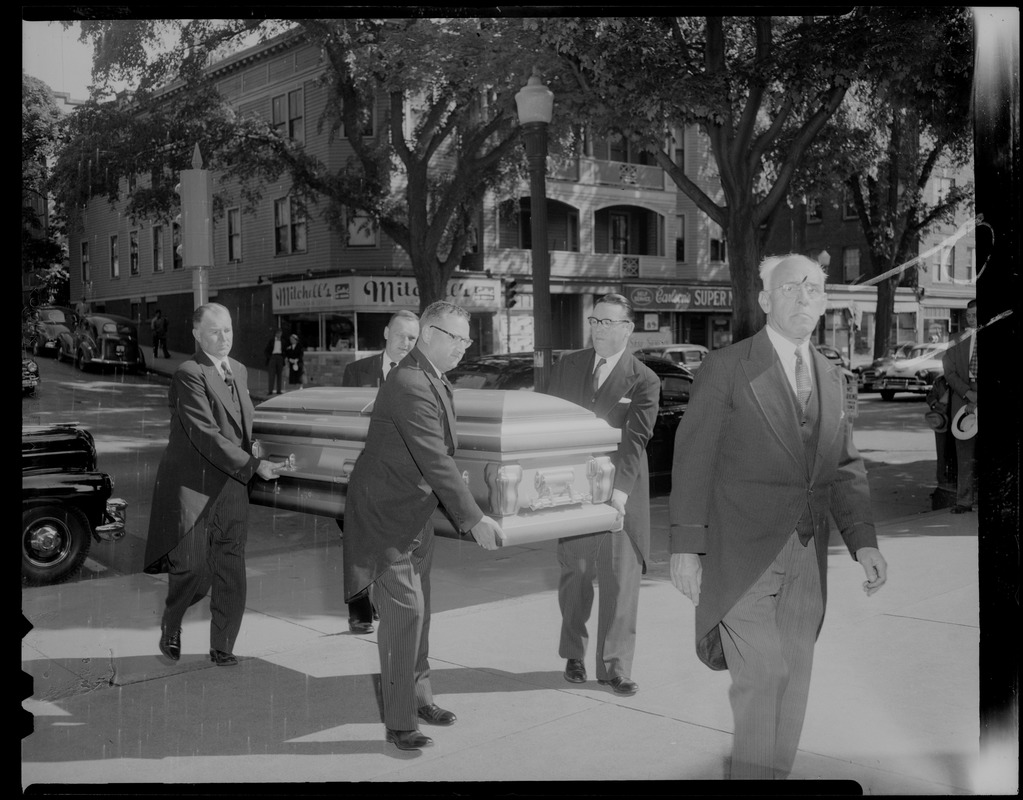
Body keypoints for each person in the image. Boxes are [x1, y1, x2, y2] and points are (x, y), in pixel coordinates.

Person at [668, 254, 888, 781]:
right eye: (791, 288)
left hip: (808, 556)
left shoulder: (834, 377)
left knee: (792, 678)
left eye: (814, 290)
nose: (803, 298)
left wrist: (864, 541)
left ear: (825, 304)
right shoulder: (728, 366)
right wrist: (684, 546)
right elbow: (694, 459)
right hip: (742, 552)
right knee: (762, 677)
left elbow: (844, 466)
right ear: (766, 300)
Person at [342, 301, 504, 751]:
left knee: (421, 613)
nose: (464, 348)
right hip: (385, 516)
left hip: (414, 511)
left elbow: (441, 455)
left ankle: (420, 697)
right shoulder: (412, 381)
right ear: (430, 334)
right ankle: (399, 722)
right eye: (457, 338)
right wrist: (474, 519)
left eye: (468, 340)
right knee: (403, 615)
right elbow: (434, 457)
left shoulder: (434, 377)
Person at [143, 303, 286, 667]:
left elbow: (240, 425)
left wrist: (256, 448)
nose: (224, 339)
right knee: (191, 567)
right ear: (196, 335)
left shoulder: (237, 370)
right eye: (214, 332)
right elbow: (205, 434)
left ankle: (222, 644)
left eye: (228, 331)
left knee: (230, 567)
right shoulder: (189, 373)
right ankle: (171, 623)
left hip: (232, 485)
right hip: (193, 485)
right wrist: (254, 465)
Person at [544, 293, 659, 697]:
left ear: (628, 328)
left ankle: (616, 668)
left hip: (620, 493)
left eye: (608, 323)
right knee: (575, 573)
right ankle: (573, 652)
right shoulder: (569, 365)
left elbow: (635, 442)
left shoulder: (644, 379)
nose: (598, 329)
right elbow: (552, 423)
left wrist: (620, 494)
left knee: (619, 581)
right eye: (594, 321)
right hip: (573, 491)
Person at [340, 309, 421, 634]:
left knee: (392, 546)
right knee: (356, 540)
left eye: (412, 337)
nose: (405, 342)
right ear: (386, 333)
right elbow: (346, 422)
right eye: (400, 334)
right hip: (359, 471)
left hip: (399, 477)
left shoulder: (420, 374)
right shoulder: (357, 372)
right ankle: (359, 610)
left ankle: (388, 601)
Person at [942, 298, 978, 513]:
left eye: (975, 315)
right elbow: (949, 371)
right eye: (969, 315)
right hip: (963, 399)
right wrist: (968, 393)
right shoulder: (955, 339)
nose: (971, 319)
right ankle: (964, 501)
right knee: (964, 452)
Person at [264, 328, 286, 395]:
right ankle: (270, 390)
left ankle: (278, 390)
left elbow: (285, 350)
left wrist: (283, 357)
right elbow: (266, 350)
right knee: (271, 375)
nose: (279, 335)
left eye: (280, 333)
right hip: (273, 357)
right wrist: (270, 357)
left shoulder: (283, 341)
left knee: (279, 375)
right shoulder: (271, 341)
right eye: (278, 333)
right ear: (276, 334)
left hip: (280, 357)